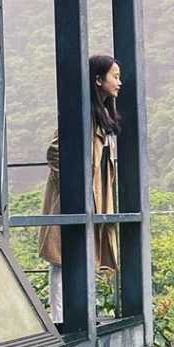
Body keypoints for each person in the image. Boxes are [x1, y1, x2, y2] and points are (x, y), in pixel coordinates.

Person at [39, 54, 122, 324]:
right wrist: (79, 184)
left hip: (91, 200)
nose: (119, 83)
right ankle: (60, 319)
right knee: (62, 258)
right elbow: (54, 152)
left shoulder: (100, 116)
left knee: (84, 254)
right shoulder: (80, 113)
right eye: (115, 76)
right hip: (71, 199)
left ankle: (79, 314)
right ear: (98, 80)